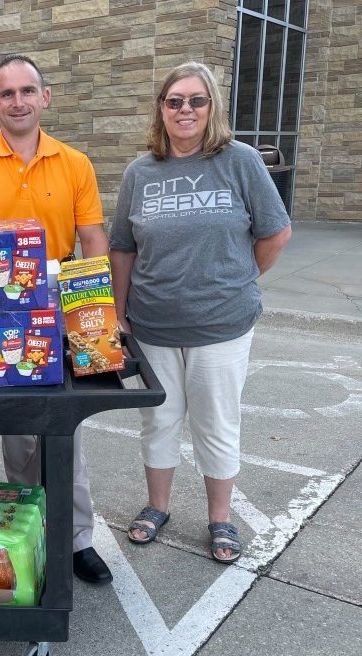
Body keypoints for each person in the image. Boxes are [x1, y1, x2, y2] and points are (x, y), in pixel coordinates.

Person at [0, 55, 113, 584]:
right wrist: (13, 253)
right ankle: (28, 525)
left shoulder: (75, 163)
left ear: (45, 97)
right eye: (6, 93)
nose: (18, 101)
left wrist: (101, 313)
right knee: (16, 428)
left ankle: (78, 537)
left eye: (27, 91)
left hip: (58, 307)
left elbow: (94, 241)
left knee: (64, 427)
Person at [109, 61, 291, 563]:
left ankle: (220, 519)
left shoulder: (239, 161)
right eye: (174, 101)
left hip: (221, 325)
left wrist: (238, 280)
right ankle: (157, 506)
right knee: (159, 421)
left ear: (212, 107)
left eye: (196, 100)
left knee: (216, 422)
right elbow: (122, 247)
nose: (185, 110)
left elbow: (275, 232)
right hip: (153, 325)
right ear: (161, 110)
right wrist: (119, 313)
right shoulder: (141, 171)